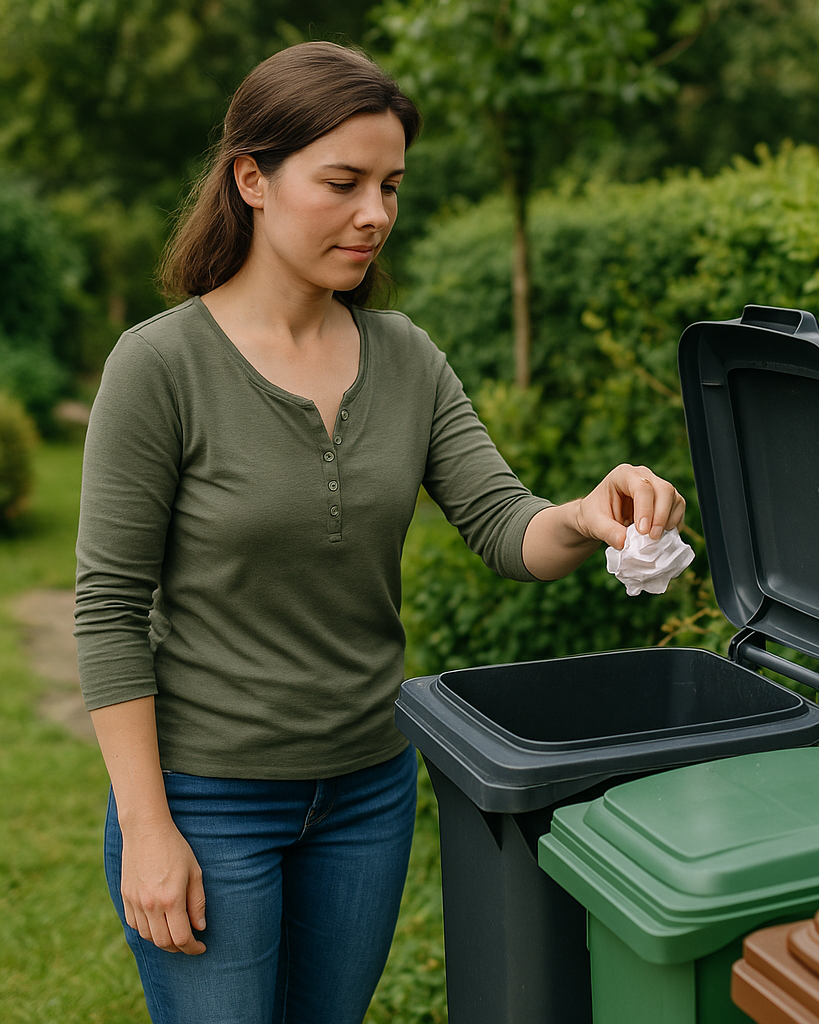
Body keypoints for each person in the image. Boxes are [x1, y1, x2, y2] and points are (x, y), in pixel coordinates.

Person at [74, 41, 685, 1024]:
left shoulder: (404, 356)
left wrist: (585, 514)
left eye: (391, 185)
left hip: (366, 790)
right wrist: (148, 825)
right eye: (344, 182)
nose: (375, 214)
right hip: (208, 796)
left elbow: (501, 524)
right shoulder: (160, 367)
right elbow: (105, 610)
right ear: (252, 179)